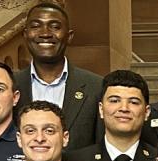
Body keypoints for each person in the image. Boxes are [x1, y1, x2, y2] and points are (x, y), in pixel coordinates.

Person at [64, 69, 158, 161]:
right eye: (114, 101)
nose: (124, 108)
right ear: (101, 109)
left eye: (134, 102)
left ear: (146, 112)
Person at [14, 2, 102, 150]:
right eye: (36, 26)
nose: (45, 33)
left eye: (55, 27)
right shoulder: (10, 86)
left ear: (69, 36)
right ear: (25, 34)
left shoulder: (96, 86)